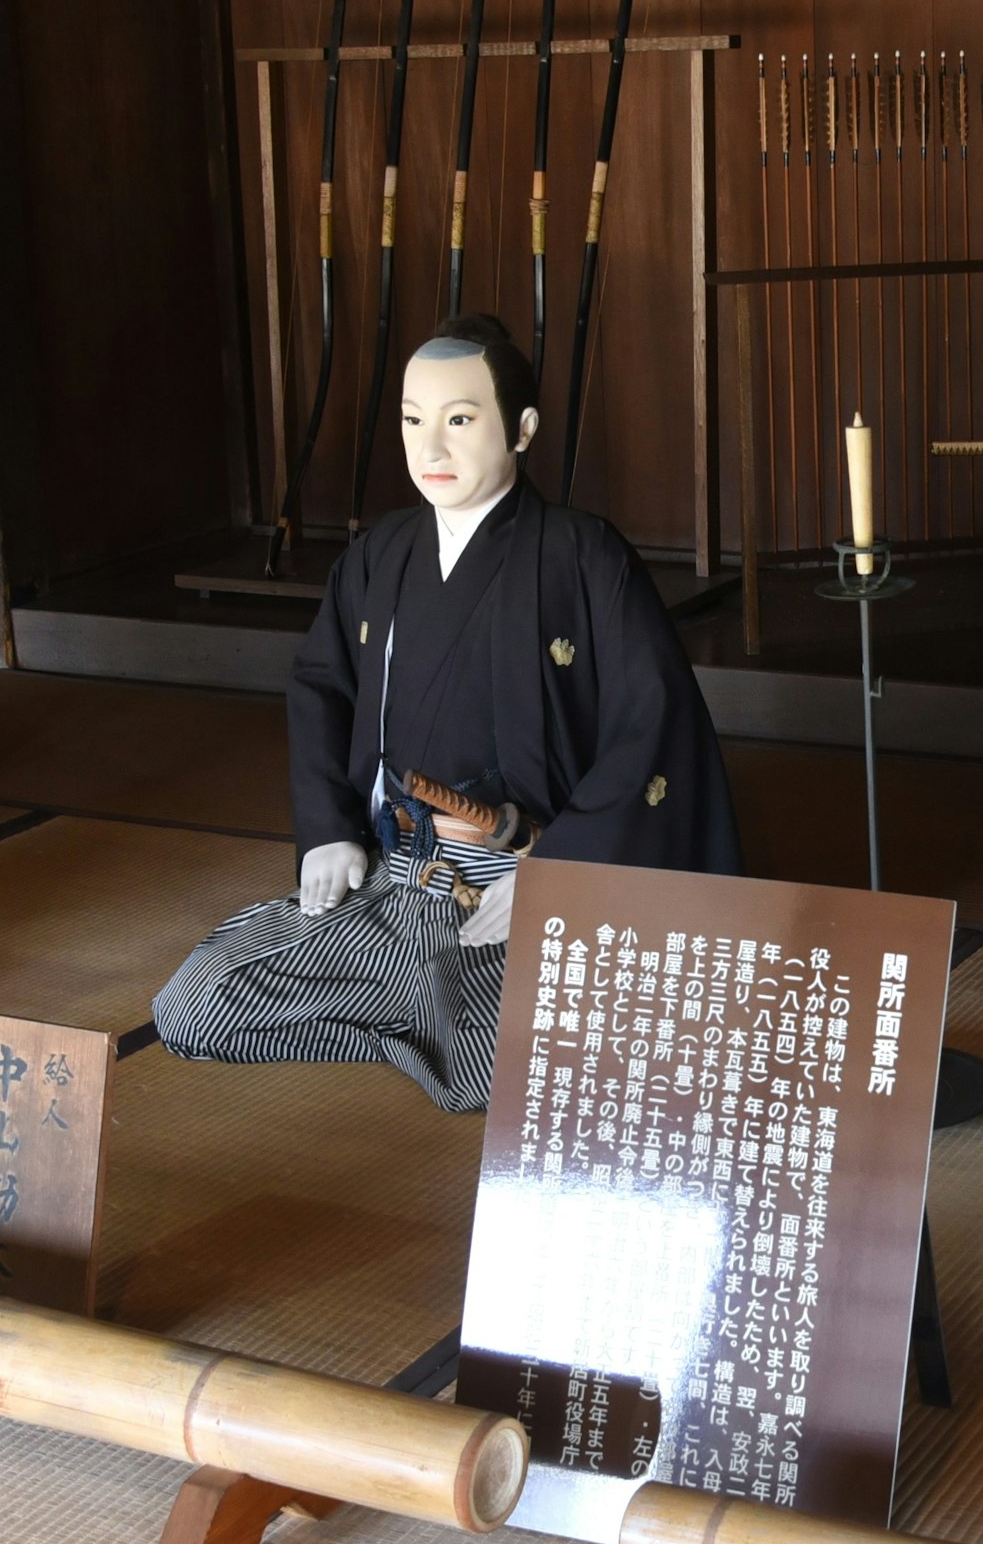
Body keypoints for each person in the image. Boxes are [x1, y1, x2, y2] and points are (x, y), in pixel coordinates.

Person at [154, 318, 739, 1111]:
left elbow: (654, 724)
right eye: (412, 420)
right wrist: (327, 827)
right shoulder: (379, 555)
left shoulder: (582, 556)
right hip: (399, 878)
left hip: (520, 882)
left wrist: (557, 875)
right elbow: (322, 685)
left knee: (511, 1057)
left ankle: (436, 1016)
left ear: (522, 429)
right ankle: (414, 1014)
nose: (430, 449)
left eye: (460, 420)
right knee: (195, 1004)